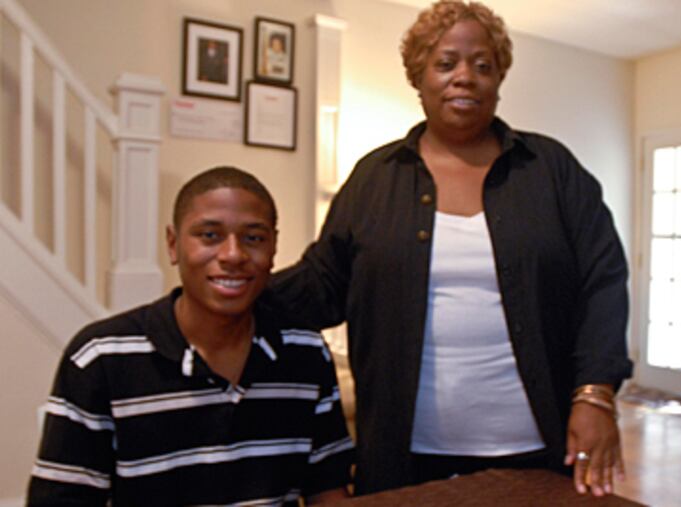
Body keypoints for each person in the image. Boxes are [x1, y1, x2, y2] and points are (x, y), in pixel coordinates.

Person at [271, 0, 633, 498]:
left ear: (499, 79)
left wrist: (596, 395)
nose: (466, 76)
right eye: (446, 63)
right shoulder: (375, 178)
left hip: (536, 446)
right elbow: (322, 285)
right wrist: (226, 296)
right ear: (418, 77)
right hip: (406, 452)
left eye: (483, 65)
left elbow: (604, 283)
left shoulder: (550, 169)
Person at [27, 167, 354, 505]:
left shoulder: (306, 352)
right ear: (173, 244)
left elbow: (327, 492)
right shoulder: (102, 357)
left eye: (253, 238)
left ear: (273, 248)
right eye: (209, 235)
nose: (233, 255)